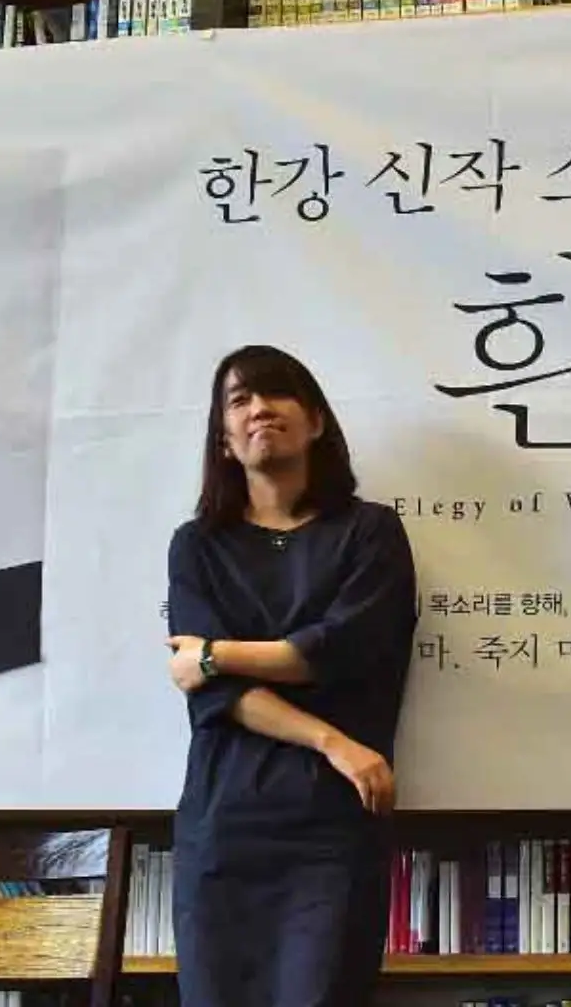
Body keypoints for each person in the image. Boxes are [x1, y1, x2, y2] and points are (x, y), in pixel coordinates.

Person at [164, 344, 418, 1006]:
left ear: (316, 421)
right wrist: (331, 740)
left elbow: (337, 649)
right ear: (222, 438)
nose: (258, 410)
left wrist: (214, 654)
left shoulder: (371, 533)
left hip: (330, 824)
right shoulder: (197, 545)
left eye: (276, 393)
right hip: (223, 822)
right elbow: (219, 698)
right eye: (239, 399)